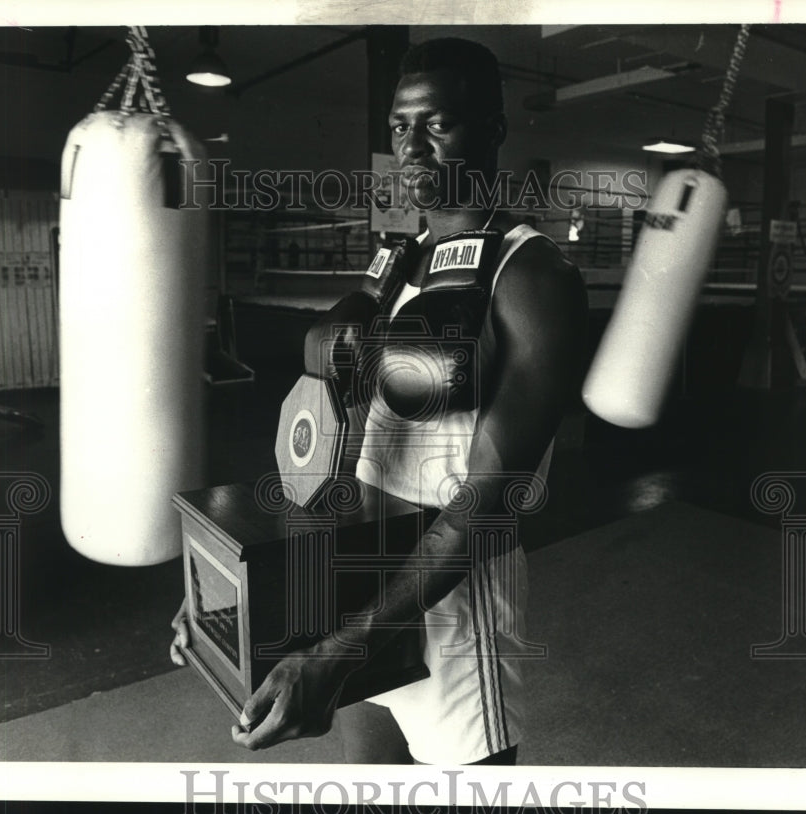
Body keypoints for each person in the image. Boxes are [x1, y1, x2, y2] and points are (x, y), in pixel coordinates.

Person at [171, 36, 588, 766]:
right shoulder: (394, 265)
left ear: (491, 130)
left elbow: (484, 509)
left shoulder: (531, 277)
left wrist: (336, 653)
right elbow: (336, 445)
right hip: (361, 579)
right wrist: (228, 594)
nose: (414, 147)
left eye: (439, 124)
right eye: (401, 126)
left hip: (453, 611)